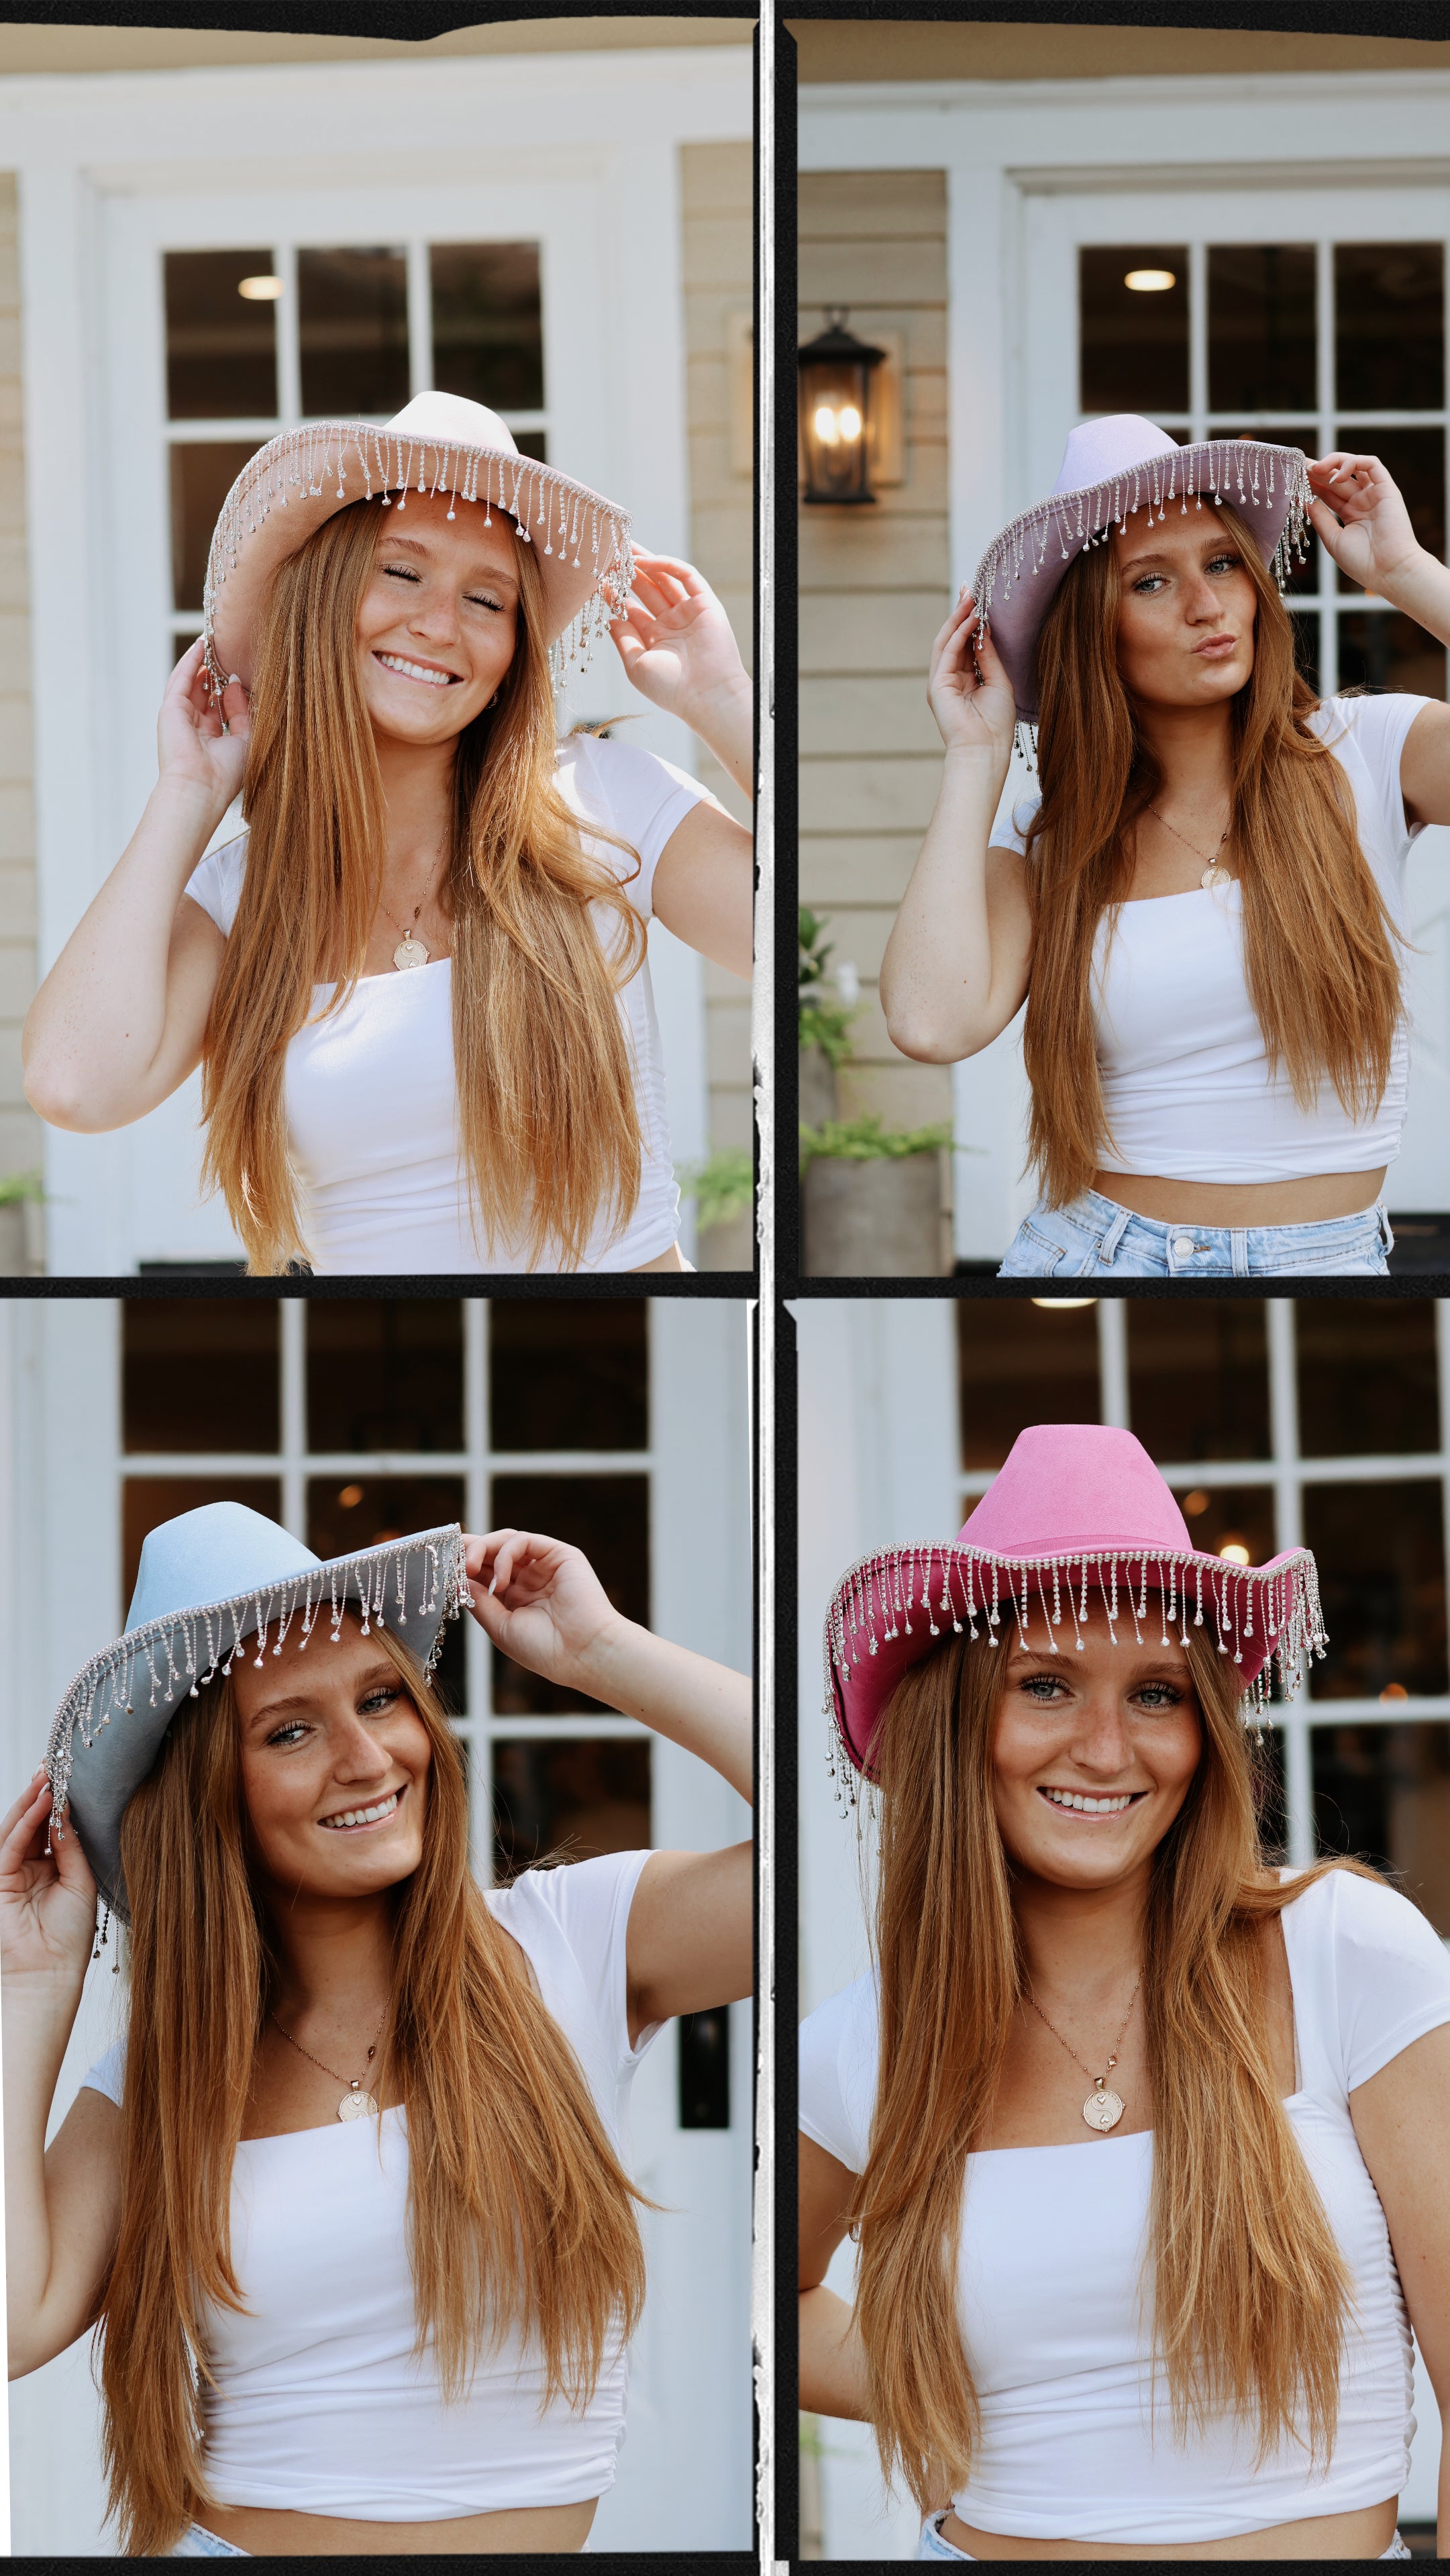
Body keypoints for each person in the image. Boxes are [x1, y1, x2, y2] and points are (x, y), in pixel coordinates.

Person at [5, 1500, 752, 2557]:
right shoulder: (167, 2075)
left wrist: (601, 1651)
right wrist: (30, 1987)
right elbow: (12, 2320)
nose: (367, 1757)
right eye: (291, 1728)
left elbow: (851, 1844)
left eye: (382, 1696)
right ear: (211, 1794)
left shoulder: (569, 1940)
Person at [799, 1423, 1450, 2560]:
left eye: (1156, 1692)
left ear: (1204, 1727)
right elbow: (764, 2308)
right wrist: (953, 2379)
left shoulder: (1347, 1949)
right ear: (961, 1722)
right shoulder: (872, 2040)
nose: (1107, 1747)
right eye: (1046, 1684)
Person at [20, 391, 754, 1275]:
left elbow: (793, 938)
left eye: (488, 599)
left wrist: (726, 706)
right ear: (326, 598)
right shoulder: (238, 898)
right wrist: (188, 791)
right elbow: (73, 1084)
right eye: (402, 573)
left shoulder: (603, 798)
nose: (440, 624)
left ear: (512, 652)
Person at [880, 415, 1450, 1278]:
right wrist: (973, 755)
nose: (1205, 604)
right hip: (1100, 1256)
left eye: (1222, 563)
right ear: (1092, 630)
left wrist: (1407, 575)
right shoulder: (1050, 838)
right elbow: (930, 1021)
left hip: (1332, 1260)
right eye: (1150, 583)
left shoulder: (1364, 749)